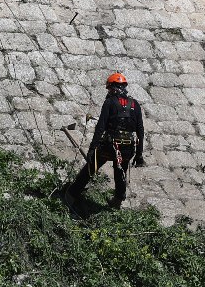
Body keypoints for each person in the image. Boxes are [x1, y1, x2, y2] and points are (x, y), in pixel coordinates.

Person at [62, 72, 146, 207]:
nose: (108, 92)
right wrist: (139, 153)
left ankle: (71, 195)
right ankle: (118, 201)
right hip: (127, 149)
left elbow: (100, 127)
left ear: (113, 88)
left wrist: (92, 149)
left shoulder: (110, 102)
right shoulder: (135, 104)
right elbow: (140, 130)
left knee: (90, 168)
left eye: (109, 89)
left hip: (109, 147)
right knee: (121, 171)